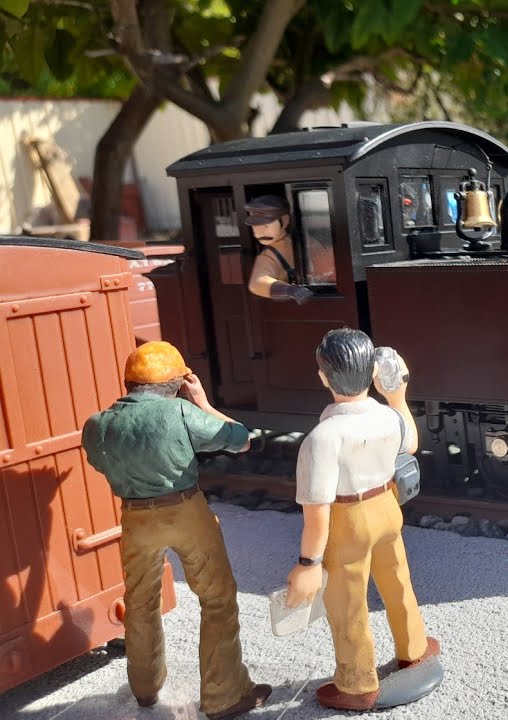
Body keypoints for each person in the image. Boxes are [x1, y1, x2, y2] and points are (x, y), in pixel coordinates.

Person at [81, 341, 271, 719]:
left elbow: (100, 462)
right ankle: (223, 695)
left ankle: (145, 688)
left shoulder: (98, 425)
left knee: (140, 602)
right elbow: (241, 439)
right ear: (178, 383)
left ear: (130, 382)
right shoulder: (182, 411)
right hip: (185, 512)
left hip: (135, 518)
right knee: (216, 598)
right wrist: (201, 401)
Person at [284, 328, 440, 711]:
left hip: (348, 520)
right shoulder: (388, 416)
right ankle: (414, 649)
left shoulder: (322, 438)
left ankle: (356, 683)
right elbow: (411, 443)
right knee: (398, 581)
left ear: (324, 377)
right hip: (387, 507)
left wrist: (308, 564)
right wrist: (398, 394)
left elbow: (317, 513)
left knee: (347, 602)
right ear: (373, 373)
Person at [244, 194, 314, 304]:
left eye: (266, 226)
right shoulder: (268, 256)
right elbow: (256, 283)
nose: (259, 232)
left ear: (285, 220)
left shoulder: (305, 241)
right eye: (255, 227)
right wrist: (289, 290)